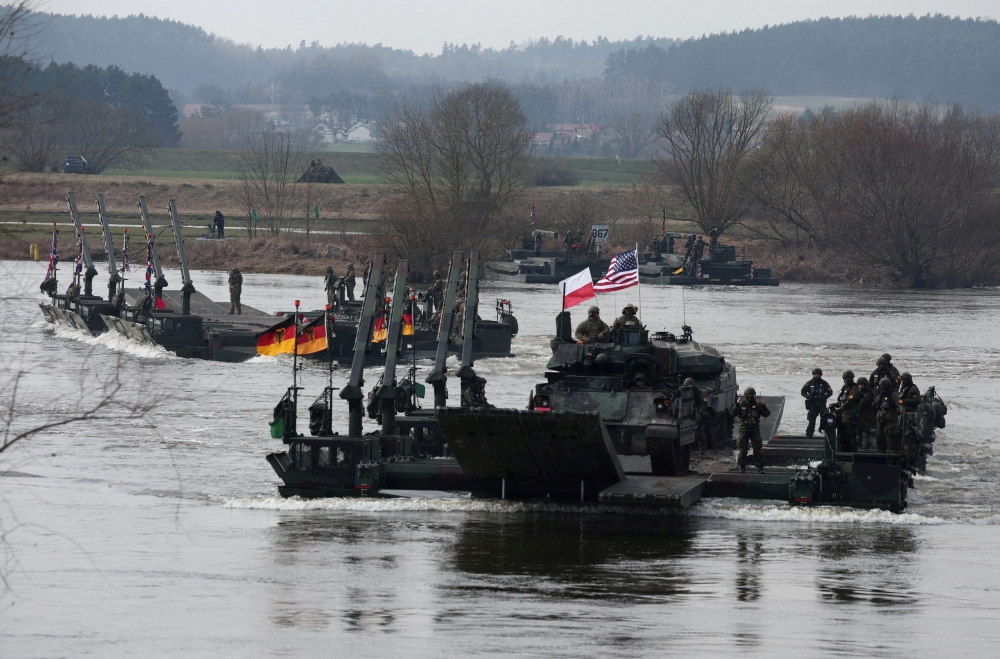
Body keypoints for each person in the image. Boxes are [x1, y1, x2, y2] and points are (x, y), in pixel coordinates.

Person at [730, 387, 770, 473]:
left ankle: (760, 467)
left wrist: (763, 405)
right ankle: (742, 466)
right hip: (744, 429)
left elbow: (766, 414)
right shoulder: (741, 405)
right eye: (748, 394)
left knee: (757, 450)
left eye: (751, 394)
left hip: (754, 430)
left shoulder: (758, 405)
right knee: (743, 450)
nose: (750, 396)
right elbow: (732, 413)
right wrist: (736, 404)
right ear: (746, 395)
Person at [800, 367, 833, 438]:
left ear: (820, 375)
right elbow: (803, 391)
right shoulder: (809, 383)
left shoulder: (824, 383)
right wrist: (808, 396)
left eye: (818, 374)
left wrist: (825, 397)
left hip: (821, 404)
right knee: (811, 420)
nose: (816, 375)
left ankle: (826, 434)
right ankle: (809, 435)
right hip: (813, 404)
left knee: (825, 419)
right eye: (815, 374)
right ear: (813, 374)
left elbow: (830, 392)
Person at [897, 372, 921, 465]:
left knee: (908, 435)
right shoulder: (903, 388)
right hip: (902, 414)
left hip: (910, 414)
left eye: (905, 380)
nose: (903, 382)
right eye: (902, 381)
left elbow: (917, 400)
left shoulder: (913, 389)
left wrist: (904, 401)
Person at [834, 370, 861, 452]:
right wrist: (834, 405)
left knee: (851, 437)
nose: (848, 379)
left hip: (851, 418)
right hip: (843, 417)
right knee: (842, 437)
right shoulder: (845, 388)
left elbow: (849, 403)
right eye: (846, 378)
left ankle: (853, 454)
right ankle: (844, 453)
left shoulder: (855, 389)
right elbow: (842, 401)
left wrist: (837, 411)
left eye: (849, 377)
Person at [875, 377, 899, 453]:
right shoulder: (879, 395)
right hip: (880, 420)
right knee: (879, 439)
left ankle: (894, 457)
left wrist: (904, 413)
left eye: (885, 385)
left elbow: (899, 405)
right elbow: (873, 405)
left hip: (890, 420)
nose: (883, 387)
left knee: (891, 439)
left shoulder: (893, 395)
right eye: (882, 386)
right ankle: (880, 455)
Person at [856, 376, 876, 451]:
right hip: (859, 417)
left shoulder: (867, 394)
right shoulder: (858, 393)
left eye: (862, 384)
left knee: (864, 433)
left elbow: (861, 405)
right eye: (859, 384)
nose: (860, 386)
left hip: (866, 417)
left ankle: (864, 448)